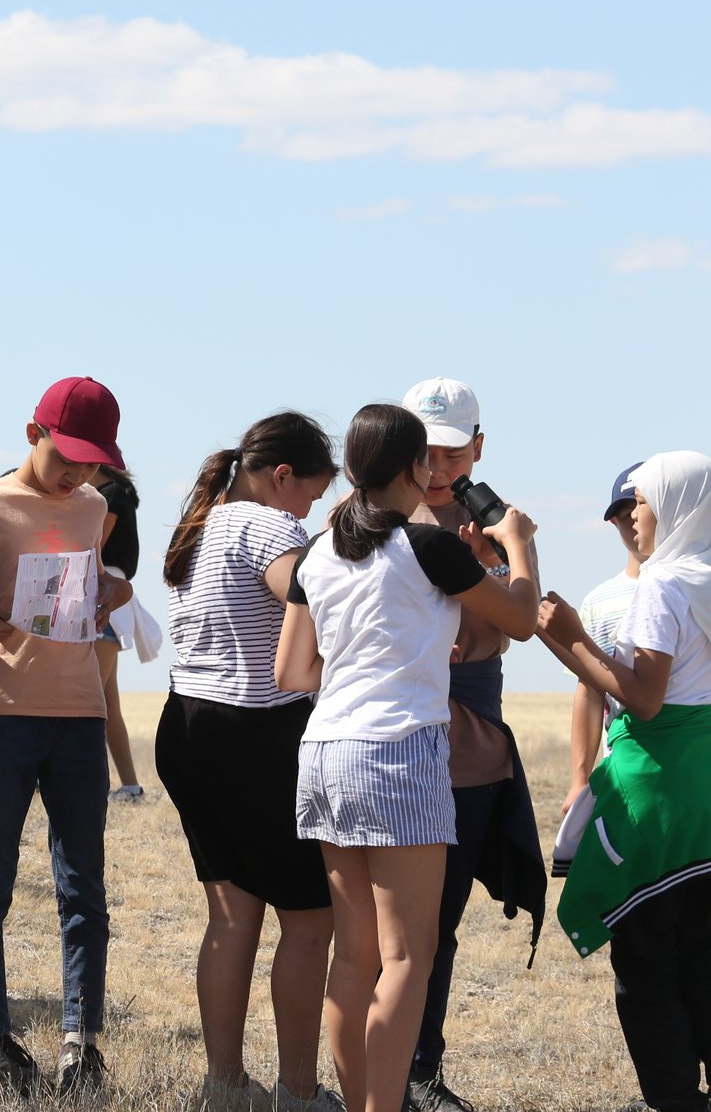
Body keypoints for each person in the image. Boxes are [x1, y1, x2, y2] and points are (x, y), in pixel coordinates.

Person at [276, 403, 539, 1112]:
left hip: (327, 751)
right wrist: (520, 548)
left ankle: (364, 1099)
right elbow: (520, 620)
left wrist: (392, 654)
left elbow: (293, 673)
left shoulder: (318, 554)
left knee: (355, 955)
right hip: (400, 756)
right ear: (413, 469)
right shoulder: (428, 547)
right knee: (407, 958)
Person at [0, 377, 130, 1096]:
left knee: (85, 889)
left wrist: (114, 590)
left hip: (81, 716)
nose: (78, 473)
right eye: (67, 456)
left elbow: (103, 580)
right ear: (31, 433)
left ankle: (83, 1042)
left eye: (92, 461)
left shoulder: (96, 508)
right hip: (1, 712)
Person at [155, 411, 340, 1112]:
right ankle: (298, 1093)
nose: (310, 510)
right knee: (310, 917)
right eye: (312, 496)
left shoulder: (201, 523)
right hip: (255, 732)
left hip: (186, 725)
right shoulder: (268, 525)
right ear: (283, 476)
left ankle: (225, 1085)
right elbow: (307, 592)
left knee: (232, 918)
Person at [536, 451, 711, 1112]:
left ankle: (675, 1099)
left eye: (641, 501)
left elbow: (642, 699)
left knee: (646, 962)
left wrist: (574, 637)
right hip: (707, 788)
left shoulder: (661, 586)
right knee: (703, 950)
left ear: (675, 504)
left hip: (656, 797)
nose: (631, 516)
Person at [397, 377, 547, 1112]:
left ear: (478, 448)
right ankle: (378, 1072)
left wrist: (504, 559)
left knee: (440, 928)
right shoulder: (366, 517)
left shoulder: (496, 527)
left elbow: (510, 627)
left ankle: (421, 1070)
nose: (436, 465)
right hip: (393, 744)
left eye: (452, 451)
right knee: (382, 931)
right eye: (422, 448)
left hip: (473, 752)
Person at [561, 463, 649, 820]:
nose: (633, 522)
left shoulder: (696, 587)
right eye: (622, 514)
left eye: (641, 509)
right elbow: (590, 688)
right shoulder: (601, 600)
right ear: (612, 522)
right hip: (624, 762)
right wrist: (579, 779)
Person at [90, 463, 147, 800]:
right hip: (112, 601)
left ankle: (91, 784)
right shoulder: (118, 492)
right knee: (106, 703)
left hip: (102, 598)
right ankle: (129, 786)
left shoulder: (108, 496)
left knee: (89, 702)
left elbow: (91, 545)